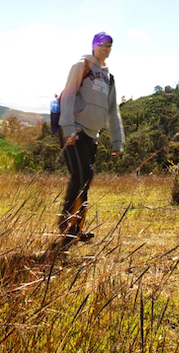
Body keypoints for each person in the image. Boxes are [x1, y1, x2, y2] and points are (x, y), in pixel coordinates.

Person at [57, 32, 125, 244]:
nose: (105, 48)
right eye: (101, 44)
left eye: (109, 45)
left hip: (92, 135)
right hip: (74, 129)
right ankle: (66, 222)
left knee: (86, 179)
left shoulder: (109, 78)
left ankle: (75, 228)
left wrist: (117, 140)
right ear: (94, 45)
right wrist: (67, 126)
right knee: (79, 175)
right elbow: (67, 96)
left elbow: (113, 111)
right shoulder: (82, 67)